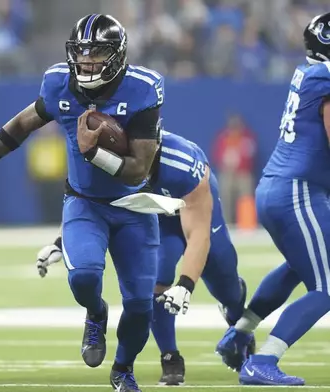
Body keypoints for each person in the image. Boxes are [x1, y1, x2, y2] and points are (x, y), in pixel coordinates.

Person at [0, 14, 164, 392]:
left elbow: (138, 169)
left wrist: (95, 155)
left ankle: (123, 369)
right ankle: (96, 313)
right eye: (82, 52)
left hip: (134, 205)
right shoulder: (60, 83)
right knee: (84, 277)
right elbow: (22, 124)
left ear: (118, 55)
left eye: (98, 52)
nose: (88, 61)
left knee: (141, 304)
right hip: (85, 202)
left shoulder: (141, 89)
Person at [37, 130, 254, 385]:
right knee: (158, 279)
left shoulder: (183, 163)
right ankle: (170, 356)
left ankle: (238, 326)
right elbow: (89, 202)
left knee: (226, 285)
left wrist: (186, 285)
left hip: (198, 215)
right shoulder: (111, 162)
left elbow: (198, 234)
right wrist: (61, 241)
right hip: (158, 219)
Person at [216, 12, 330, 386]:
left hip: (278, 186)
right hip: (297, 190)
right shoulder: (326, 78)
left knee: (299, 268)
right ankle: (263, 359)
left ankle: (240, 332)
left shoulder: (308, 73)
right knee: (327, 287)